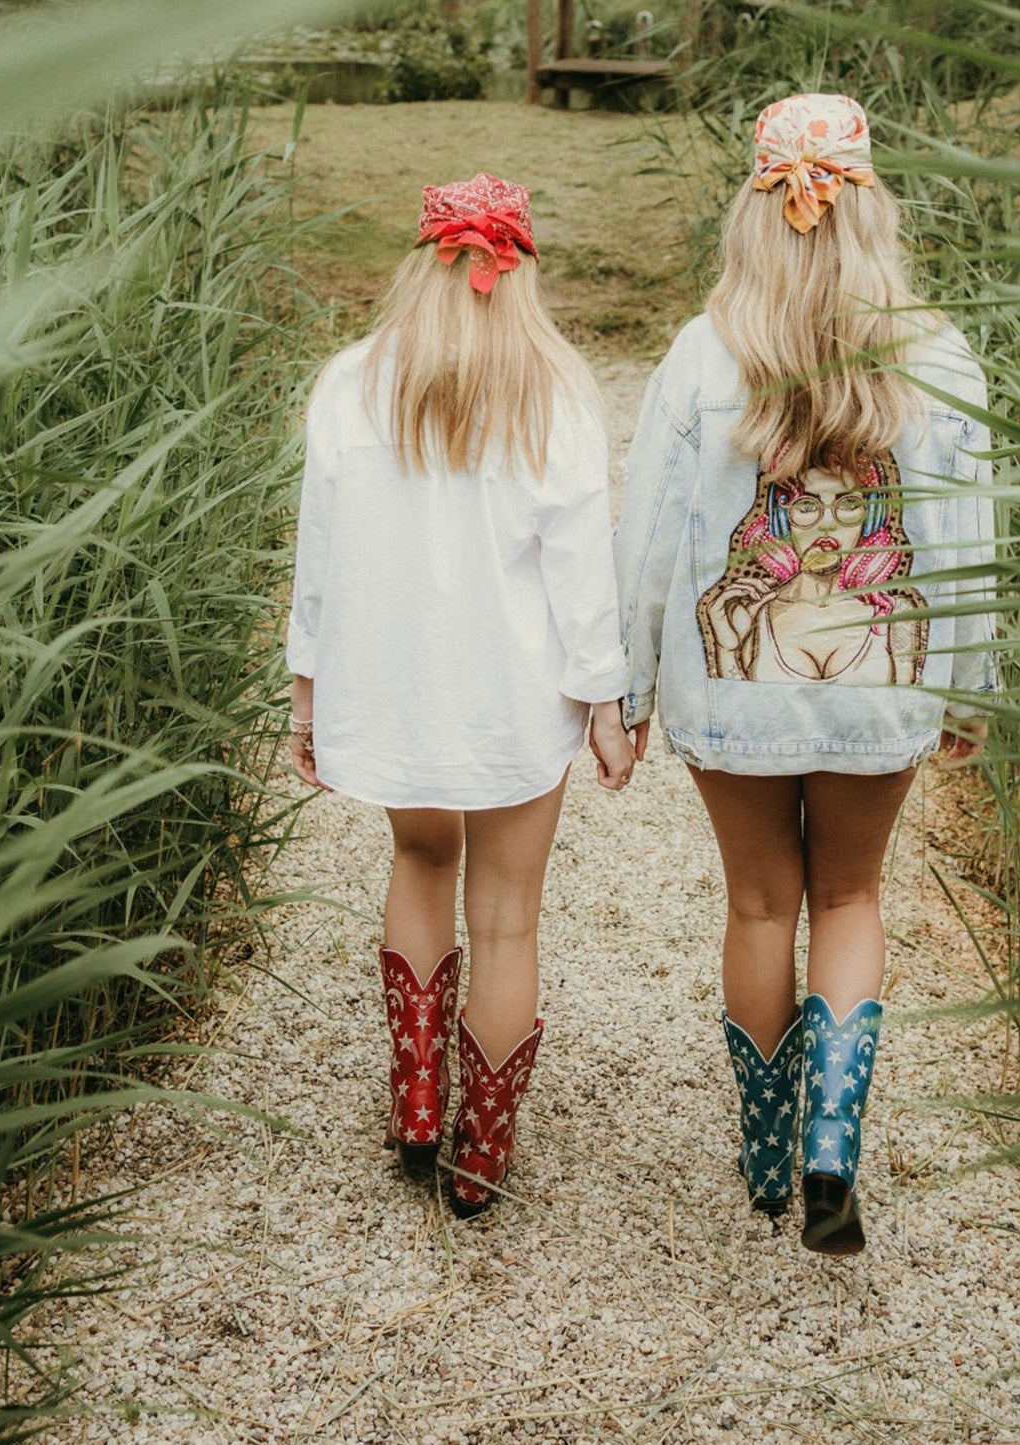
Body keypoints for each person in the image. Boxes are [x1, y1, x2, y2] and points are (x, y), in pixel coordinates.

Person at [615, 95, 997, 1255]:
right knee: (848, 896)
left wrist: (627, 690)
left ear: (754, 212)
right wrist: (967, 683)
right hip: (881, 696)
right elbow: (966, 538)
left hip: (730, 701)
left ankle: (766, 1155)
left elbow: (646, 537)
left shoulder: (702, 353)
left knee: (758, 902)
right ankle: (832, 1146)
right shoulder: (935, 355)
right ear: (873, 213)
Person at [285, 173, 635, 1219]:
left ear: (421, 262)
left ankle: (417, 1104)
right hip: (513, 702)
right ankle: (480, 1155)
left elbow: (318, 557)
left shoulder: (351, 382)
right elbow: (582, 569)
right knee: (508, 918)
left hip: (398, 688)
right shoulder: (554, 390)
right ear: (517, 270)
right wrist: (604, 701)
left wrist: (307, 690)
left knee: (419, 858)